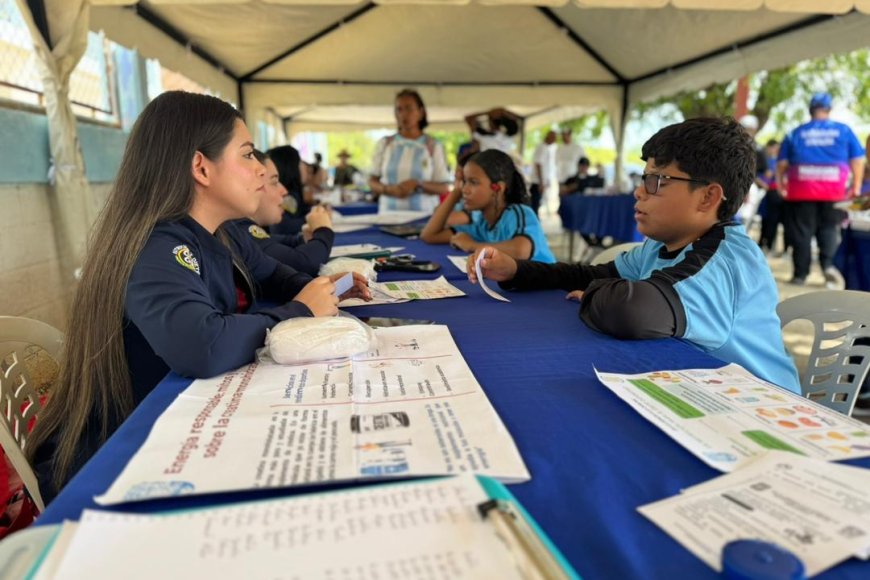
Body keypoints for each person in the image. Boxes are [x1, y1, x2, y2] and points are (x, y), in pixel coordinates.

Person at [26, 92, 371, 503]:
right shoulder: (156, 244)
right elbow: (202, 345)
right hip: (117, 469)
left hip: (179, 428)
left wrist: (327, 289)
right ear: (200, 167)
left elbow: (279, 277)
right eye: (247, 155)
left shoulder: (220, 233)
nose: (261, 170)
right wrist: (299, 312)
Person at [468, 117, 800, 392]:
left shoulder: (724, 261)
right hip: (701, 391)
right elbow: (592, 276)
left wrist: (599, 295)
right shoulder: (660, 245)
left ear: (707, 197)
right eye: (644, 178)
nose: (639, 191)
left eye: (657, 180)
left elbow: (630, 310)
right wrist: (518, 271)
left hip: (764, 412)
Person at [777, 92, 865, 287]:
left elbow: (782, 164)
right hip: (834, 191)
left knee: (802, 233)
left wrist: (781, 184)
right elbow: (858, 160)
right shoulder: (843, 131)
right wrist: (856, 186)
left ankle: (800, 274)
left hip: (801, 190)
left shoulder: (796, 132)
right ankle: (828, 270)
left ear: (810, 109)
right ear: (829, 109)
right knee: (829, 230)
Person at [420, 150, 556, 263]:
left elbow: (521, 250)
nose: (465, 189)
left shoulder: (518, 213)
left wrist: (472, 246)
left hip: (551, 289)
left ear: (498, 188)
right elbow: (429, 235)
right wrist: (455, 194)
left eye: (473, 182)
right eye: (464, 182)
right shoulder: (482, 223)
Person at [231, 150, 335, 276]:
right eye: (274, 182)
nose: (284, 190)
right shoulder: (239, 231)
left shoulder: (240, 228)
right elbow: (303, 263)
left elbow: (276, 241)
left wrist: (304, 238)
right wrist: (323, 230)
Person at [368, 89, 451, 213]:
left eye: (409, 108)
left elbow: (444, 187)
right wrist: (388, 189)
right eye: (399, 109)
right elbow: (372, 181)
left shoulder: (433, 146)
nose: (403, 114)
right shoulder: (385, 144)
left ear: (421, 112)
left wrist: (418, 185)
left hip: (424, 217)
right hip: (388, 216)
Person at [267, 144, 311, 235]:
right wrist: (312, 219)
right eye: (299, 162)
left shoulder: (293, 193)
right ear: (291, 167)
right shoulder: (287, 196)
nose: (306, 167)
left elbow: (299, 213)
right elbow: (281, 227)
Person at [529, 129, 557, 216]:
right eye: (553, 138)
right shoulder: (542, 147)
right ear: (548, 136)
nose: (554, 140)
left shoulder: (546, 148)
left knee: (537, 205)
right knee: (535, 206)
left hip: (540, 182)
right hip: (537, 182)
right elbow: (538, 165)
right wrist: (541, 183)